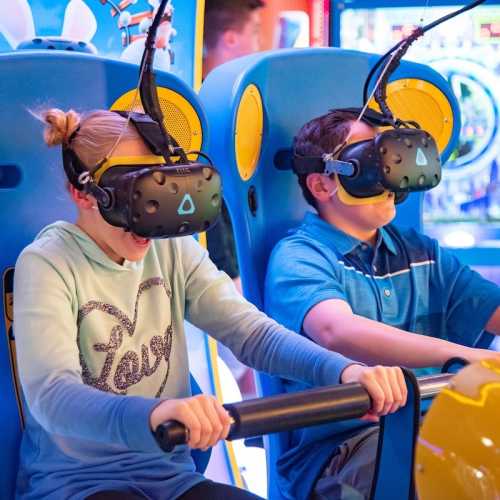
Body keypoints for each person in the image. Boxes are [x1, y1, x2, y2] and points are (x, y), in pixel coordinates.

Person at [13, 108, 407, 500]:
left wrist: (345, 372)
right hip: (76, 486)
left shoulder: (171, 250)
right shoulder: (48, 262)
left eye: (158, 196)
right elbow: (52, 394)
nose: (149, 220)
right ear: (82, 192)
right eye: (133, 199)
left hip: (171, 478)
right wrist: (151, 416)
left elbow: (253, 334)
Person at [264, 108, 500, 499]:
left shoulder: (420, 251)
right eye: (371, 162)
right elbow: (336, 330)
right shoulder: (300, 256)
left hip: (440, 427)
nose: (389, 175)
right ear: (323, 185)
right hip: (343, 447)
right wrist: (462, 356)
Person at [202, 0, 265, 397]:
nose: (260, 42)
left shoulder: (214, 103)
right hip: (221, 272)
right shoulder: (213, 110)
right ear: (231, 38)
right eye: (255, 32)